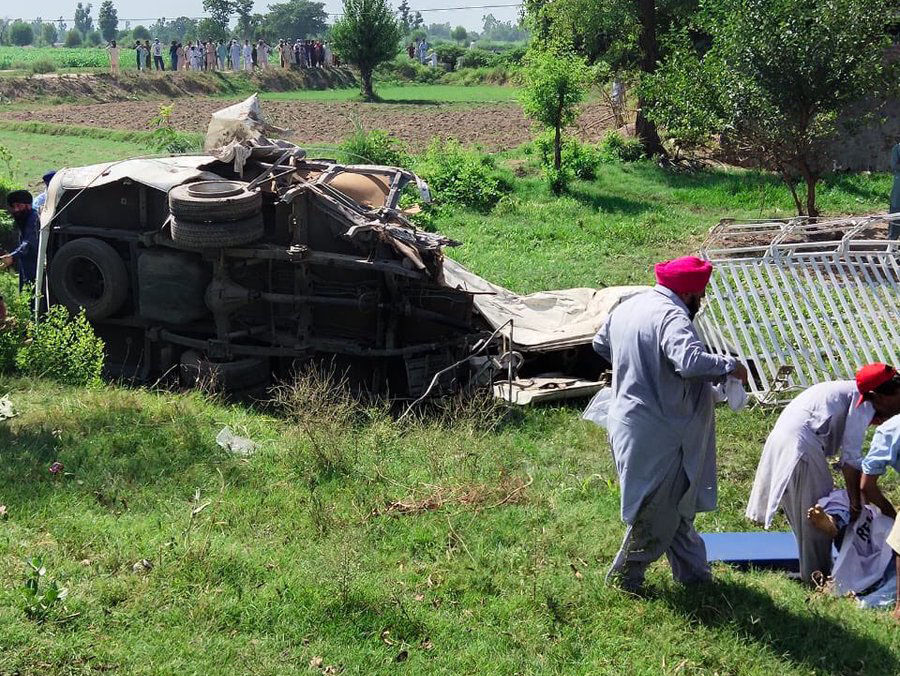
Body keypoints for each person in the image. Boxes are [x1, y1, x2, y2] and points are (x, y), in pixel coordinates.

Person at [592, 256, 748, 592]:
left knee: (676, 504)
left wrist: (639, 366)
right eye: (700, 296)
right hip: (662, 429)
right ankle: (625, 577)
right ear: (691, 294)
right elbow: (690, 361)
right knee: (660, 508)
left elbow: (600, 343)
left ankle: (695, 577)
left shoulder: (630, 305)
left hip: (629, 419)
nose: (701, 303)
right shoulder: (672, 316)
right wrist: (730, 366)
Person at [747, 363, 900, 583]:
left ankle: (815, 574)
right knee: (817, 516)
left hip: (787, 440)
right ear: (879, 396)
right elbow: (851, 460)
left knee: (811, 516)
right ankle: (818, 581)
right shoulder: (864, 401)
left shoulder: (851, 392)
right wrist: (856, 503)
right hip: (800, 446)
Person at [0, 191, 40, 290]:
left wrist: (12, 256)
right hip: (26, 266)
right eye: (13, 206)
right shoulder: (23, 220)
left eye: (19, 205)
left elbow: (28, 244)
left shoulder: (33, 219)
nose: (16, 209)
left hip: (35, 267)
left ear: (28, 205)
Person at [890, 142, 900, 240]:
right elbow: (894, 165)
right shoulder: (897, 148)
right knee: (896, 211)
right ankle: (892, 239)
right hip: (899, 187)